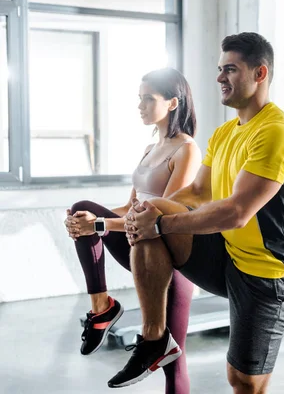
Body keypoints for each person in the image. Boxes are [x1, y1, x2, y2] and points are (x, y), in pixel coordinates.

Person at [108, 32, 284, 394]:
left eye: (230, 70)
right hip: (227, 255)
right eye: (219, 69)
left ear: (259, 74)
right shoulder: (224, 133)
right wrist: (147, 213)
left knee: (243, 380)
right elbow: (198, 192)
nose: (219, 78)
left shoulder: (276, 132)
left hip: (268, 272)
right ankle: (155, 339)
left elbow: (236, 212)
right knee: (151, 210)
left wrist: (162, 223)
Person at [63, 67, 202, 394]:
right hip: (137, 245)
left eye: (147, 99)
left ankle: (107, 311)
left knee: (172, 359)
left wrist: (97, 225)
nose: (140, 105)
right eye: (139, 98)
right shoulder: (149, 148)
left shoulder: (187, 149)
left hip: (168, 260)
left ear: (172, 103)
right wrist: (88, 222)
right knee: (82, 207)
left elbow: (161, 216)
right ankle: (102, 308)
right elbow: (130, 208)